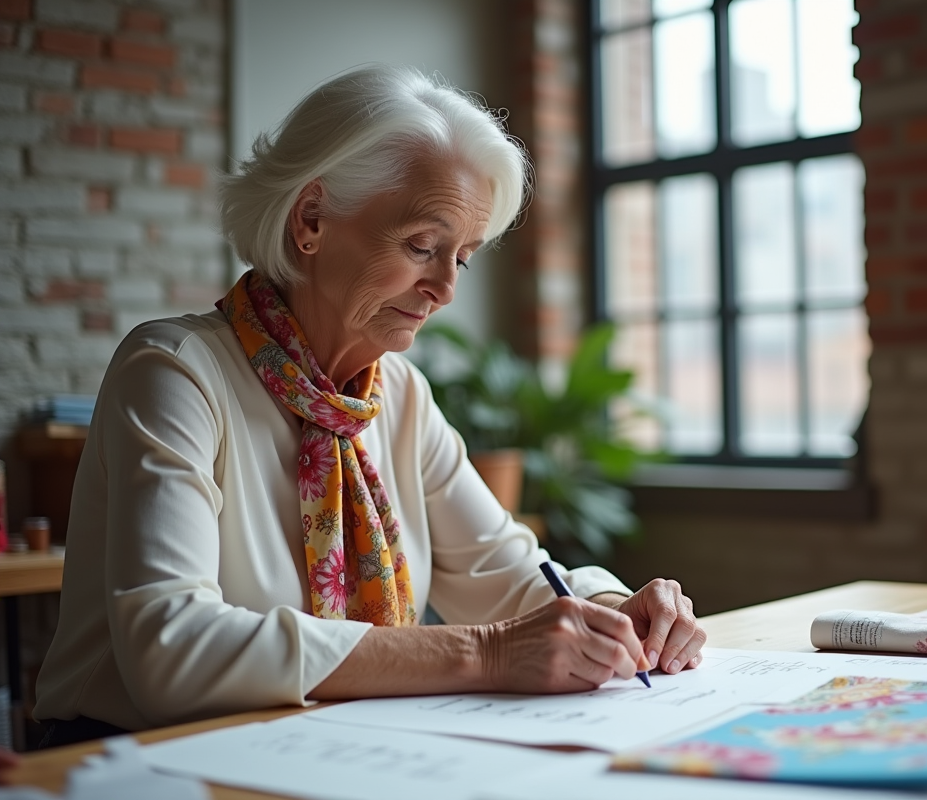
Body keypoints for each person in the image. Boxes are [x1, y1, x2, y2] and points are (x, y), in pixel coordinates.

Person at [33, 66, 705, 747]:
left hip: (317, 749)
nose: (444, 288)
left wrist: (618, 611)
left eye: (462, 258)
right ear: (312, 220)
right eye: (422, 247)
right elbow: (171, 648)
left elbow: (512, 576)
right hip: (123, 759)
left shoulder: (400, 396)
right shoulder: (175, 371)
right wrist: (487, 653)